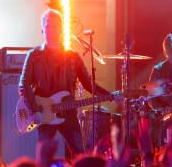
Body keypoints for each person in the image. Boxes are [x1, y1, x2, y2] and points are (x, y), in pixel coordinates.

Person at [18, 8, 115, 157]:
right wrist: (34, 109)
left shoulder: (72, 57)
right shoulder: (34, 55)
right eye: (47, 26)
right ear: (42, 30)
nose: (51, 30)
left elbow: (89, 85)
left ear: (61, 29)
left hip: (68, 113)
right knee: (44, 156)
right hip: (43, 114)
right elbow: (23, 85)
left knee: (79, 155)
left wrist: (110, 96)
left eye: (54, 26)